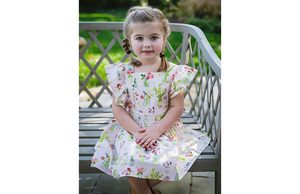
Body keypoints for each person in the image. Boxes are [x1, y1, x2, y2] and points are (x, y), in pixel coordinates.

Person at [91, 6, 211, 194]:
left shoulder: (173, 73)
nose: (147, 44)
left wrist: (156, 130)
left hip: (164, 126)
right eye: (139, 38)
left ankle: (138, 190)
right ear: (129, 41)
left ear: (164, 40)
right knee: (129, 156)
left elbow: (177, 107)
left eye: (154, 37)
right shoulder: (123, 73)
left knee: (170, 161)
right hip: (131, 127)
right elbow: (118, 109)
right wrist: (136, 132)